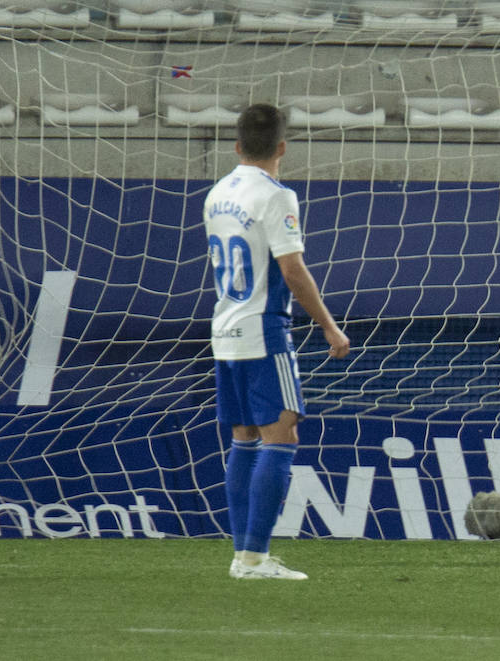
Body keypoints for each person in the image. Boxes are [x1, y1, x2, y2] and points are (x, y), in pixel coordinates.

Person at [204, 103, 350, 580]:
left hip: (224, 329)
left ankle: (242, 555)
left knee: (244, 437)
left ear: (236, 145)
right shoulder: (276, 196)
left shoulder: (216, 194)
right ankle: (254, 558)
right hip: (264, 331)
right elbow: (292, 268)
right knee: (282, 433)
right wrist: (329, 324)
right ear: (282, 148)